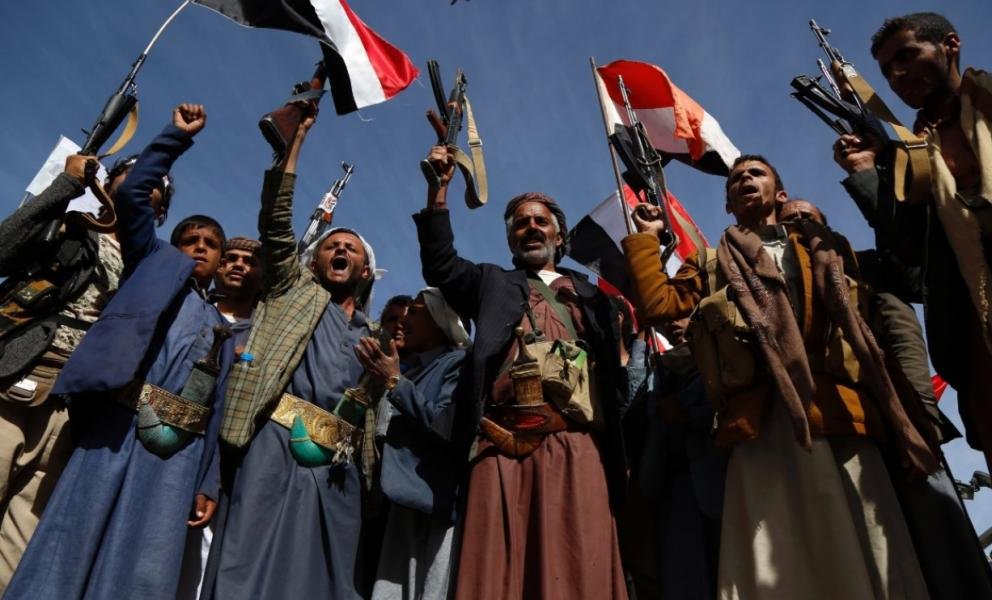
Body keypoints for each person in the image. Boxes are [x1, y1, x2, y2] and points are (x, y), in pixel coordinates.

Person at [622, 155, 935, 599]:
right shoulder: (710, 263)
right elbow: (658, 306)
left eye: (756, 173)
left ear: (780, 193)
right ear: (728, 205)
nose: (745, 180)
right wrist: (647, 238)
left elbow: (871, 337)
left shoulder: (828, 247)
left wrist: (909, 421)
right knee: (777, 561)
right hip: (761, 425)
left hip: (840, 414)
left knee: (867, 546)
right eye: (736, 179)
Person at [5, 103, 234, 600]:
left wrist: (208, 481)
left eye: (211, 243)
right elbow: (131, 194)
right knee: (66, 539)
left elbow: (215, 409)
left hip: (173, 454)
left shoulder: (223, 327)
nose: (200, 247)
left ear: (220, 261)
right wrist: (175, 137)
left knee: (142, 564)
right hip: (113, 425)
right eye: (190, 239)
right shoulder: (151, 262)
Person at [415, 145, 628, 599]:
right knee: (496, 573)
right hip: (503, 442)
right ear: (511, 240)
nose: (531, 227)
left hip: (577, 441)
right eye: (521, 223)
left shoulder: (593, 297)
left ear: (559, 235)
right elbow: (441, 265)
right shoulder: (492, 282)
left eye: (541, 221)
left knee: (580, 564)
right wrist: (439, 193)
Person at [202, 102, 378, 599]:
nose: (339, 250)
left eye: (350, 249)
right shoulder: (291, 290)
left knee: (323, 577)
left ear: (366, 270)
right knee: (245, 562)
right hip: (272, 447)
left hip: (337, 470)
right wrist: (294, 145)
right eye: (331, 246)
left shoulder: (376, 336)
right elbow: (277, 222)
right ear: (314, 261)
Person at [781, 198, 992, 598]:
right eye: (789, 220)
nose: (798, 223)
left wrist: (921, 417)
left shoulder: (863, 264)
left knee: (941, 543)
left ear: (825, 224)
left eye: (806, 216)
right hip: (840, 428)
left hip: (899, 419)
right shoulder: (780, 287)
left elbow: (903, 335)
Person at [834, 12, 992, 472]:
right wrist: (867, 171)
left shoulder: (986, 101)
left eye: (907, 56)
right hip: (977, 338)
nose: (897, 75)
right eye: (887, 70)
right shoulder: (914, 155)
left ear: (950, 45)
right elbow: (909, 262)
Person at [358, 288, 469, 600]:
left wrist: (395, 382)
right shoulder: (415, 368)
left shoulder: (458, 364)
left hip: (432, 502)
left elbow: (444, 424)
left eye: (416, 312)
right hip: (401, 499)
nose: (404, 321)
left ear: (439, 321)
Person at [620, 313, 726, 600]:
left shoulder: (719, 356)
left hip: (715, 487)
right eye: (668, 318)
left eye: (682, 315)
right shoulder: (661, 369)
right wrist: (640, 344)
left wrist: (687, 413)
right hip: (674, 493)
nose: (674, 324)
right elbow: (632, 403)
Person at [213, 236, 264, 356]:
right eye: (231, 259)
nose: (238, 264)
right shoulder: (196, 311)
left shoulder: (264, 330)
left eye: (250, 262)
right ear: (219, 267)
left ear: (263, 278)